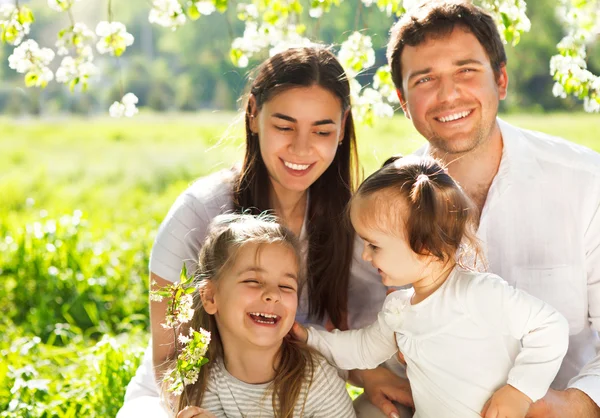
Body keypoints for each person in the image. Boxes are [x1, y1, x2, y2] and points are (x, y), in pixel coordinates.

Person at [355, 2, 600, 417]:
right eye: (425, 79)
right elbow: (358, 326)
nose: (448, 94)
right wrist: (371, 376)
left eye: (466, 71)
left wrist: (575, 403)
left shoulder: (586, 182)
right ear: (402, 99)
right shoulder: (383, 202)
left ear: (500, 80)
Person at [116, 46, 387, 418]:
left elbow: (356, 337)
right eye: (284, 126)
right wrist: (192, 410)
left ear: (342, 129)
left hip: (292, 396)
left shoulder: (353, 221)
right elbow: (169, 358)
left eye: (322, 130)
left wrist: (370, 376)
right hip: (191, 393)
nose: (302, 147)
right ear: (254, 115)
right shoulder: (198, 212)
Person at [294, 155, 569, 418]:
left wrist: (519, 392)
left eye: (374, 245)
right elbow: (362, 348)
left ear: (423, 245)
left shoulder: (478, 293)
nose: (365, 256)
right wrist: (309, 338)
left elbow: (549, 327)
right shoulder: (399, 310)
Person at [166, 213, 356, 417]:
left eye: (285, 285)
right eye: (253, 281)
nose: (273, 295)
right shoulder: (202, 380)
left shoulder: (316, 381)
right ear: (211, 297)